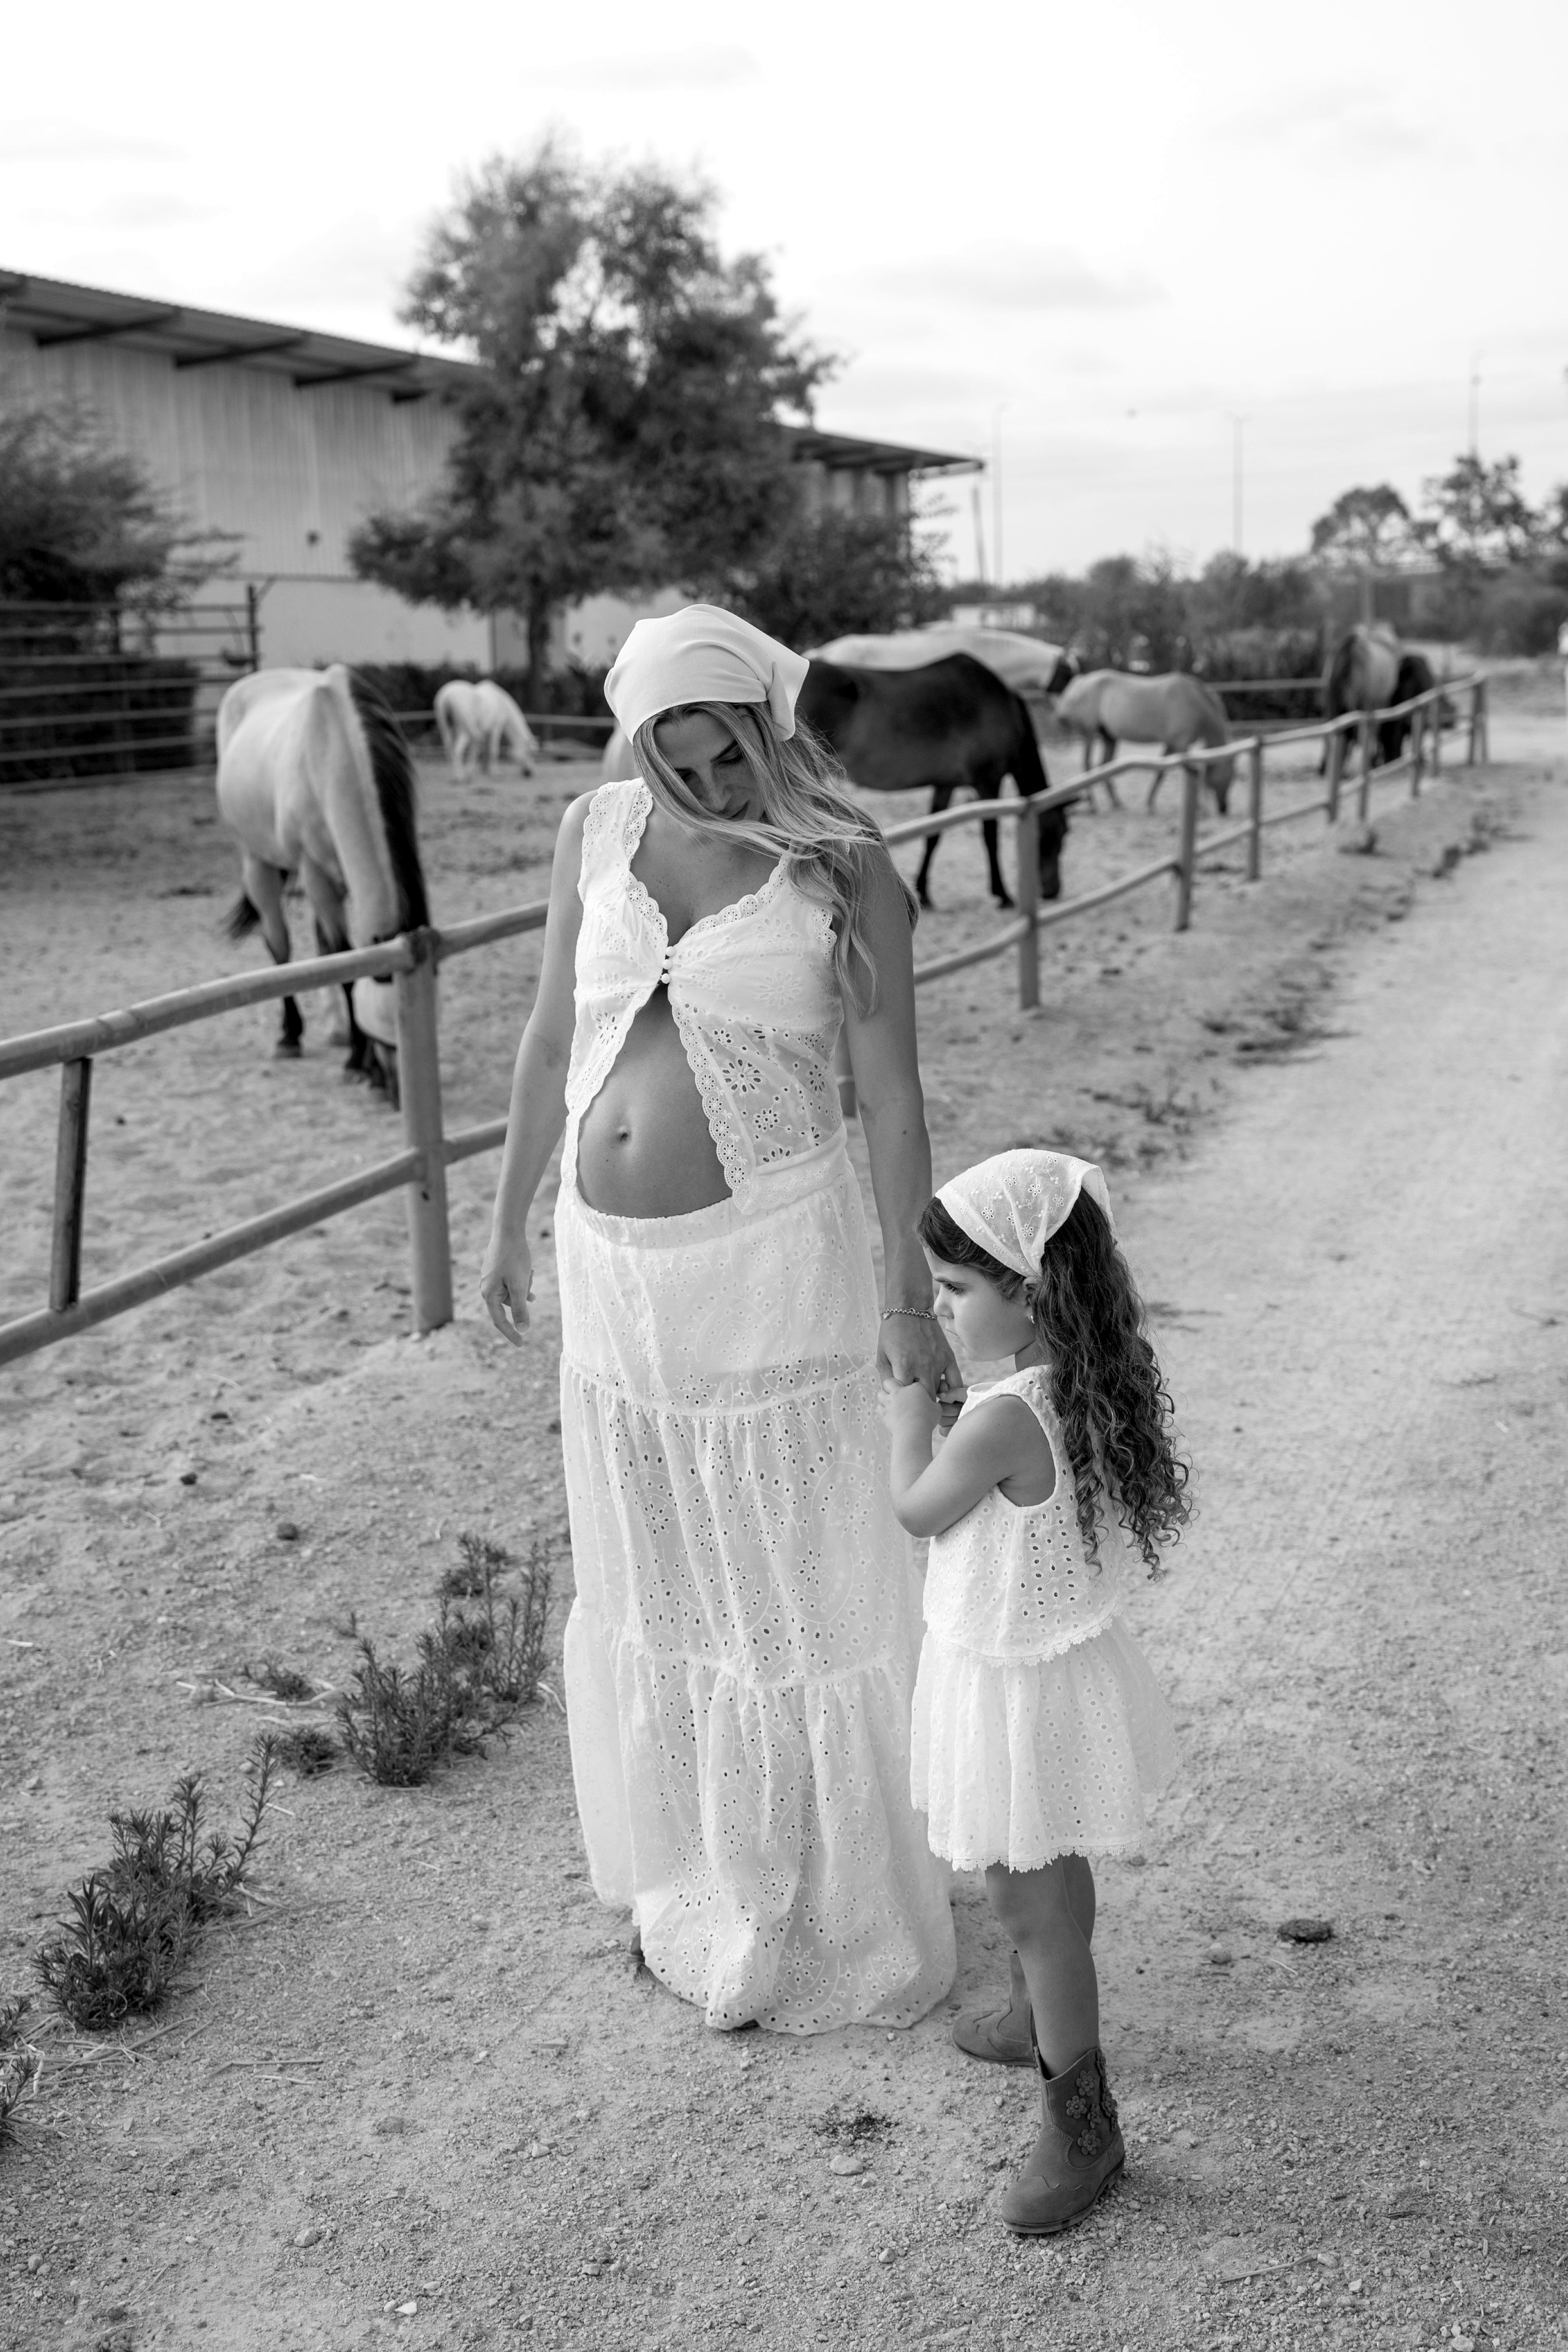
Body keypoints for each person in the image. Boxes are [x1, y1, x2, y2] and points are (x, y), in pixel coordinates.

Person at [480, 605, 958, 2034]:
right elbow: (550, 1033)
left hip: (772, 1263)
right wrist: (505, 1216)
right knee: (661, 1571)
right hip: (611, 1276)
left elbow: (891, 1100)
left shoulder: (844, 869)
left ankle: (822, 1896)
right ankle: (699, 1861)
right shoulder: (595, 828)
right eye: (670, 760)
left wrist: (905, 1295)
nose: (700, 786)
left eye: (725, 757)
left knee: (797, 1577)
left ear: (767, 728)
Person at [881, 1148, 1186, 2231]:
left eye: (958, 1291)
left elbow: (918, 1511)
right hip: (1052, 1676)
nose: (942, 1309)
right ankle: (1031, 2012)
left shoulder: (999, 1419)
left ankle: (1083, 2131)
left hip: (1012, 1685)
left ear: (1031, 1290)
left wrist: (910, 1410)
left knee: (1025, 1897)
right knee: (1052, 1871)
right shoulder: (1073, 1385)